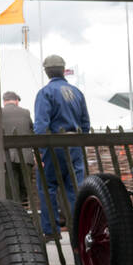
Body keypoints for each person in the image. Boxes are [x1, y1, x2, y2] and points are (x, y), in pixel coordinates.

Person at [34, 53, 90, 233]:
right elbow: (85, 123)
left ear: (47, 72)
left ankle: (51, 230)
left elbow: (41, 126)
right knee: (75, 189)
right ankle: (78, 229)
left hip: (54, 147)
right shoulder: (77, 92)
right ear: (63, 70)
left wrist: (41, 152)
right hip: (74, 145)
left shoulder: (45, 93)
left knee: (48, 187)